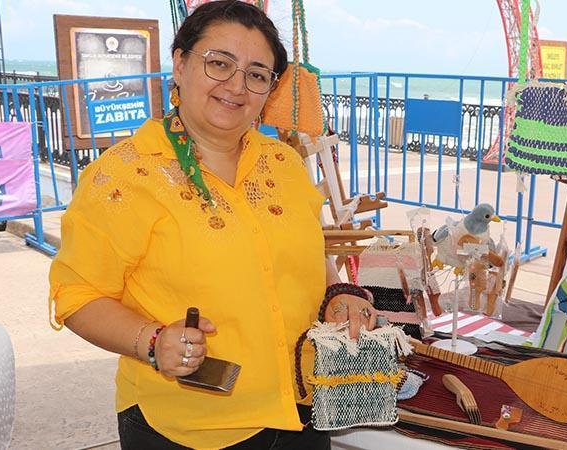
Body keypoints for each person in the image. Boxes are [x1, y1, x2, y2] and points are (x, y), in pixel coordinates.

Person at [48, 2, 375, 448]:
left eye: (256, 74)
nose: (236, 86)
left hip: (303, 409)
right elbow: (78, 295)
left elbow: (307, 255)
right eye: (219, 64)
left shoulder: (284, 164)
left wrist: (338, 294)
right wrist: (152, 341)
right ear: (180, 64)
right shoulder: (123, 176)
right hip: (188, 427)